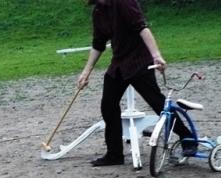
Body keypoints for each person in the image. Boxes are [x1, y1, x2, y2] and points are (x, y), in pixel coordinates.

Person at [77, 0, 196, 166]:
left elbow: (142, 28)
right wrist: (86, 72)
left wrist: (156, 55)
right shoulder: (98, 11)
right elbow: (98, 43)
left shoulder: (123, 2)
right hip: (119, 64)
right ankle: (114, 155)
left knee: (157, 103)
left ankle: (188, 138)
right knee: (108, 105)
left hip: (139, 62)